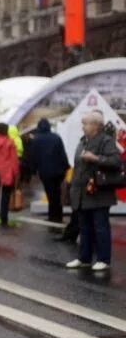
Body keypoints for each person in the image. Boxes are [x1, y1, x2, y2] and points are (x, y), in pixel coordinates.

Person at [65, 111, 120, 272]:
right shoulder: (83, 141)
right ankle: (84, 258)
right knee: (85, 227)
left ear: (96, 125)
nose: (83, 127)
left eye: (85, 123)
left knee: (100, 227)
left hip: (99, 192)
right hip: (82, 192)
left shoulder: (106, 141)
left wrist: (96, 158)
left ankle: (104, 259)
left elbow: (116, 161)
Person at [27, 118, 70, 224]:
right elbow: (62, 154)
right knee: (58, 193)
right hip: (59, 171)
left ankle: (52, 216)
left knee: (50, 194)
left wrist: (33, 171)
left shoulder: (36, 140)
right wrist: (66, 167)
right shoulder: (56, 137)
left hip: (45, 172)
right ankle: (58, 216)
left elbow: (33, 157)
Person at [0, 123, 19, 227]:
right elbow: (14, 159)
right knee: (6, 195)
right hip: (7, 171)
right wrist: (16, 172)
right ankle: (4, 216)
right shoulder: (9, 142)